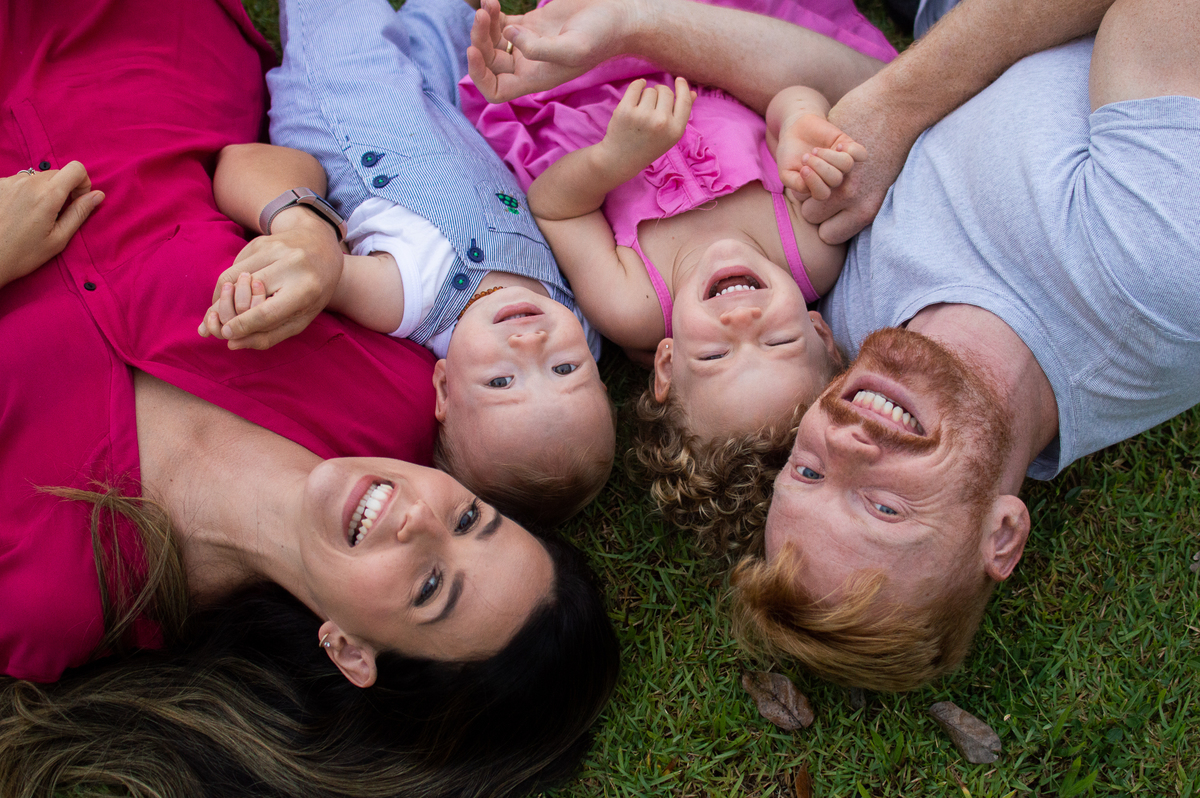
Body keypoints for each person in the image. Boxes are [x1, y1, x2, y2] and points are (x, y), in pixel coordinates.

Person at [468, 0, 1200, 690]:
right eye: (884, 507)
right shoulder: (1158, 272)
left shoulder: (849, 328)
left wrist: (633, 26)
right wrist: (896, 103)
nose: (850, 438)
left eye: (810, 473)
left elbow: (849, 98)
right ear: (1001, 534)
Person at [0, 1, 618, 795]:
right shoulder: (393, 393)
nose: (420, 517)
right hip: (136, 42)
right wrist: (305, 232)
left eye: (430, 586)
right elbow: (268, 162)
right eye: (469, 517)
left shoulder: (54, 601)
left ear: (349, 650)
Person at [463, 0, 893, 554]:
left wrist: (614, 158)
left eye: (715, 357)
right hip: (713, 49)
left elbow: (554, 208)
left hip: (586, 101)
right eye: (779, 340)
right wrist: (800, 123)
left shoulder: (632, 303)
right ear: (821, 333)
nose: (742, 320)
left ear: (666, 363)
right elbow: (786, 90)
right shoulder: (812, 247)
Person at [202, 0, 617, 526]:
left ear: (444, 386)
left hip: (347, 103)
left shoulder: (411, 302)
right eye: (564, 369)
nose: (530, 345)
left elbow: (325, 274)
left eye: (500, 382)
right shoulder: (580, 320)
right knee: (454, 23)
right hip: (448, 110)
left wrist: (280, 277)